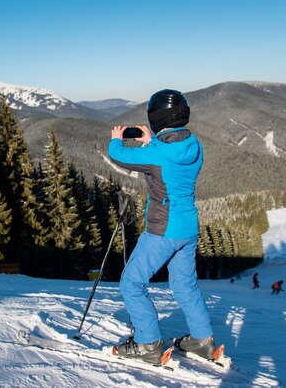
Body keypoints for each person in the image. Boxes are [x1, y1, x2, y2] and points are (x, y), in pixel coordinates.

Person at [108, 89, 216, 365]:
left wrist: (116, 139)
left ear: (155, 117)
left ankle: (147, 345)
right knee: (185, 285)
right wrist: (153, 140)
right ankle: (203, 341)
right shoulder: (194, 144)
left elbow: (120, 156)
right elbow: (169, 152)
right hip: (188, 227)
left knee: (132, 283)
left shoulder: (157, 153)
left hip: (163, 229)